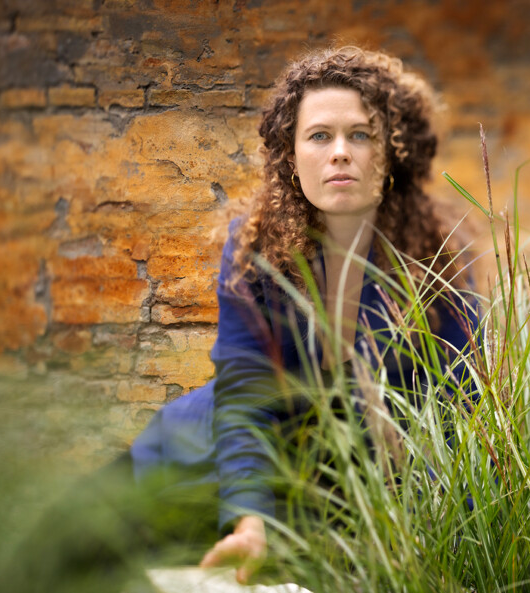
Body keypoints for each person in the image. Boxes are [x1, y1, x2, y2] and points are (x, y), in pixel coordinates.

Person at [129, 45, 480, 585]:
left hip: (333, 507)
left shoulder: (440, 260)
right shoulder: (255, 249)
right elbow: (245, 397)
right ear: (292, 158)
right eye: (319, 136)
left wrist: (434, 544)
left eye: (360, 134)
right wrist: (250, 521)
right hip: (199, 469)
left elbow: (455, 417)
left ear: (392, 152)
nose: (340, 152)